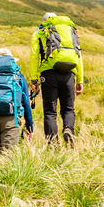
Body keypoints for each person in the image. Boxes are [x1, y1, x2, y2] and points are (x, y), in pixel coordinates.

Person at [28, 12, 84, 146]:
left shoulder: (40, 32)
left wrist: (34, 80)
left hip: (49, 75)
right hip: (69, 74)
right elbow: (79, 56)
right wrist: (80, 80)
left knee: (50, 112)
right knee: (69, 109)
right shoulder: (70, 31)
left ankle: (53, 145)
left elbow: (34, 57)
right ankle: (68, 129)